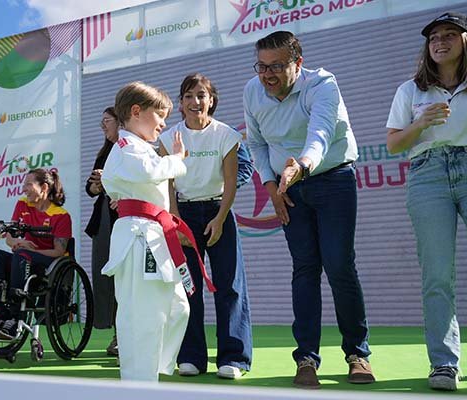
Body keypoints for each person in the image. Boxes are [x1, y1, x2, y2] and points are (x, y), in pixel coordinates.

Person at [243, 31, 374, 389]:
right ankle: (306, 358)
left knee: (339, 265)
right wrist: (271, 186)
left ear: (298, 64)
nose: (267, 75)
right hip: (287, 189)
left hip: (332, 179)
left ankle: (357, 354)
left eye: (277, 66)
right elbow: (255, 142)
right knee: (304, 269)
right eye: (262, 66)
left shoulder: (323, 85)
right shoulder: (252, 90)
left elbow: (320, 133)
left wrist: (300, 166)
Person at [386, 12, 467, 392]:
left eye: (449, 35)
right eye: (433, 37)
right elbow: (394, 144)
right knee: (438, 275)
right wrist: (421, 123)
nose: (439, 42)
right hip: (428, 174)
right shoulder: (411, 90)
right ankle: (444, 364)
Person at [102, 81, 210, 382]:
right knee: (144, 316)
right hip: (138, 239)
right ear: (136, 112)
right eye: (159, 115)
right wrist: (176, 160)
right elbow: (148, 173)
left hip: (153, 235)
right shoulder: (126, 146)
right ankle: (140, 381)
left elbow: (138, 178)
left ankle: (153, 370)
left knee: (177, 308)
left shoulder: (138, 148)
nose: (163, 123)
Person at [158, 73, 252, 379]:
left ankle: (234, 359)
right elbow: (167, 183)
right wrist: (175, 219)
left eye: (201, 95)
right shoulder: (169, 137)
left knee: (229, 286)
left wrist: (221, 218)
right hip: (182, 214)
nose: (195, 102)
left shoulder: (226, 135)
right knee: (188, 287)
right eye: (188, 96)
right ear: (181, 103)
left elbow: (230, 181)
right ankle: (191, 357)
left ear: (211, 100)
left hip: (217, 212)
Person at [0, 168, 72, 340]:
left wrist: (29, 249)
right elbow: (10, 238)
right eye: (23, 184)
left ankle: (15, 319)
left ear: (44, 187)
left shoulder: (61, 215)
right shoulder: (22, 204)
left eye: (28, 184)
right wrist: (18, 243)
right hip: (23, 257)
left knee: (22, 255)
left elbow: (59, 251)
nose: (23, 189)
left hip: (49, 262)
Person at [84, 106, 120, 356]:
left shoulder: (132, 148)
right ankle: (112, 330)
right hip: (104, 220)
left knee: (123, 278)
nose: (103, 126)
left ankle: (123, 334)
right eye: (102, 122)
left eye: (107, 121)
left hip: (125, 217)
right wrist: (97, 186)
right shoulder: (103, 152)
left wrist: (109, 179)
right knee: (104, 276)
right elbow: (91, 189)